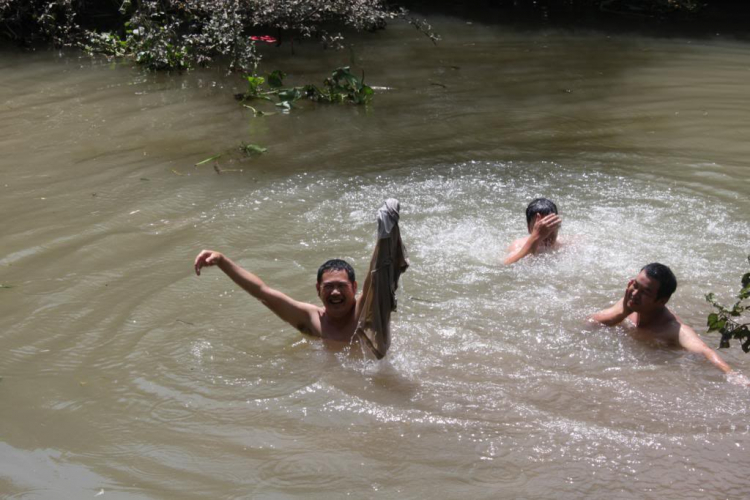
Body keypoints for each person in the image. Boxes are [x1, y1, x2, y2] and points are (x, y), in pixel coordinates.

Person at [589, 263, 747, 383]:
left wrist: (732, 374)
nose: (635, 294)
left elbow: (705, 351)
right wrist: (623, 312)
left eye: (645, 292)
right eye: (635, 285)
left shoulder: (673, 329)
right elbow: (591, 323)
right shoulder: (629, 304)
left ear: (662, 301)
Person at [194, 253, 361, 342]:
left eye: (342, 286)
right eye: (329, 287)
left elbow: (379, 277)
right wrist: (222, 261)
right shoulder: (311, 319)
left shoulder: (367, 309)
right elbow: (262, 292)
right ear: (318, 289)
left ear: (354, 287)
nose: (335, 292)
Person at [504, 198, 563, 265]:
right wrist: (536, 238)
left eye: (550, 226)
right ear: (529, 228)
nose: (545, 234)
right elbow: (506, 265)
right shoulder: (518, 245)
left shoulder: (564, 244)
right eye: (540, 229)